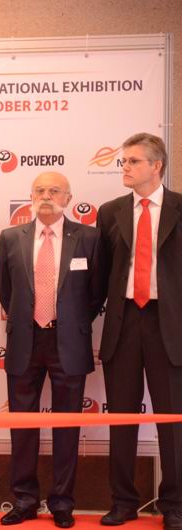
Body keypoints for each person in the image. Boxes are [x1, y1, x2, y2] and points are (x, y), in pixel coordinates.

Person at [0, 171, 105, 528]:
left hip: (68, 342)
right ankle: (24, 500)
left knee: (67, 426)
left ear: (68, 198)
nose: (46, 196)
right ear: (31, 196)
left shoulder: (88, 238)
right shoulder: (10, 237)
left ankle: (61, 502)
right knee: (22, 425)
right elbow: (6, 291)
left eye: (54, 190)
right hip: (25, 341)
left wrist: (71, 321)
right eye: (40, 190)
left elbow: (96, 293)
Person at [97, 133, 182, 530]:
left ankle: (175, 505)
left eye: (133, 161)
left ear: (156, 166)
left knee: (173, 421)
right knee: (121, 419)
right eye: (124, 161)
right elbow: (101, 274)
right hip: (124, 323)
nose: (125, 167)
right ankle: (123, 502)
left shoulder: (180, 208)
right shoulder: (110, 212)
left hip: (170, 325)